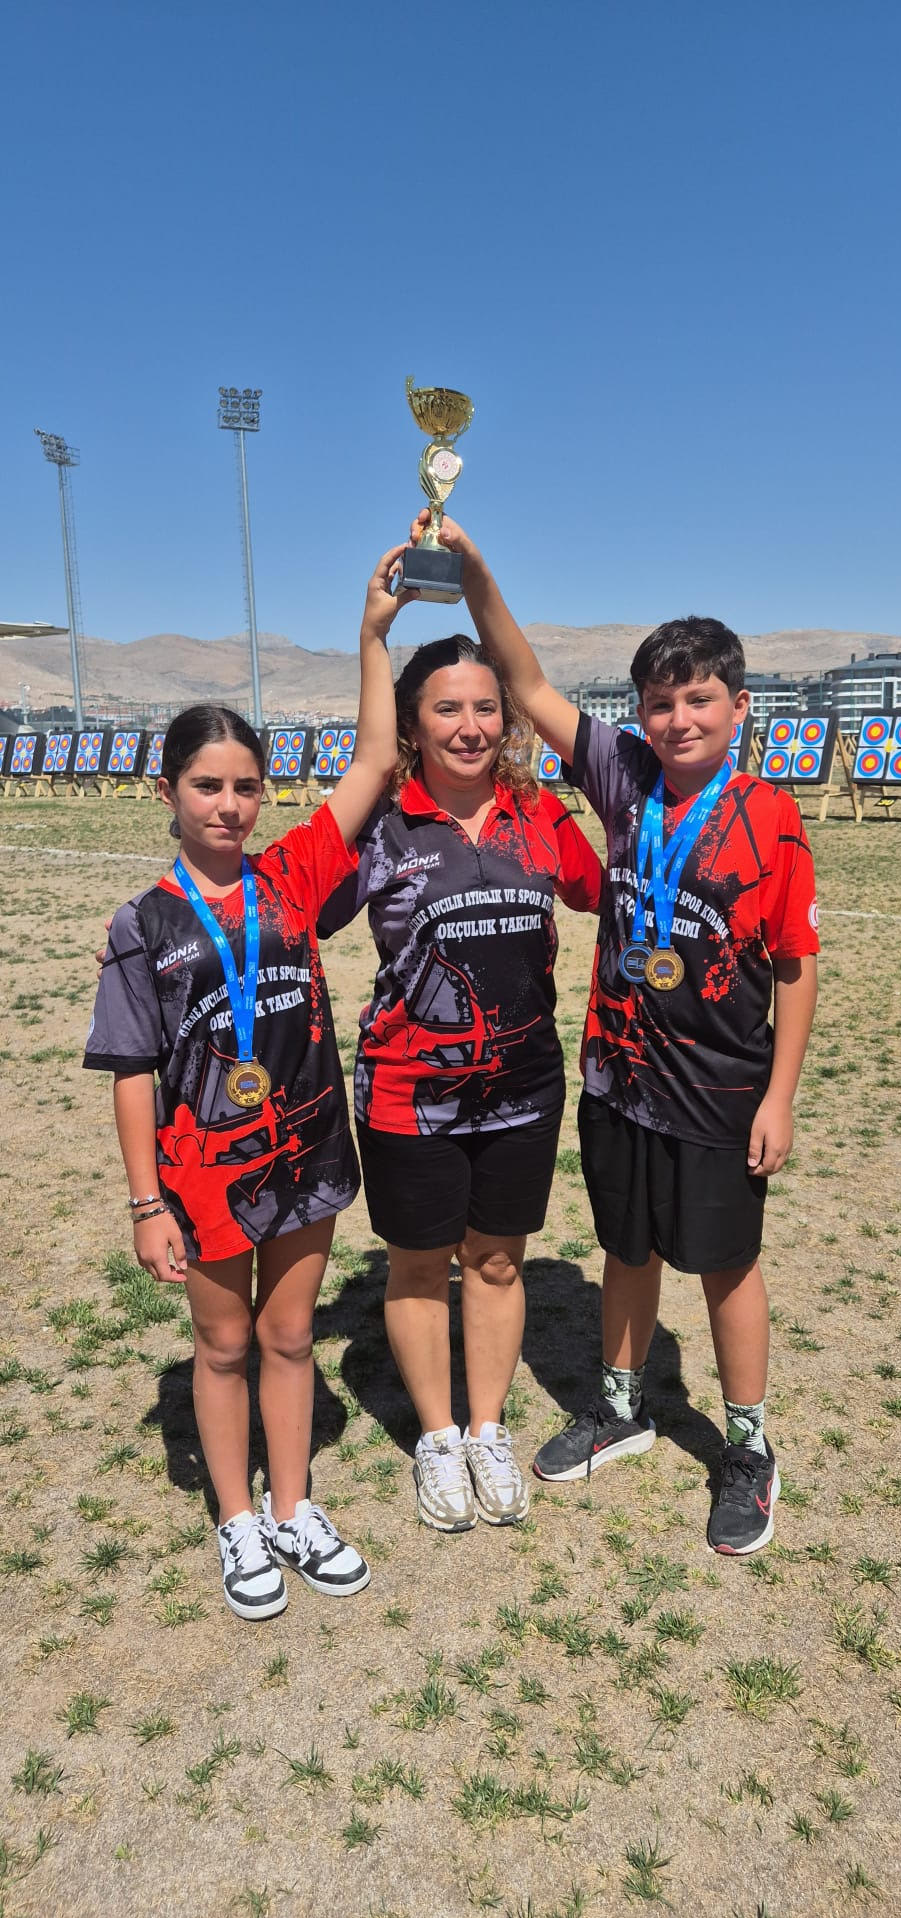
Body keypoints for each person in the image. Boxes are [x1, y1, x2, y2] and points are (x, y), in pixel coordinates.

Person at [421, 511, 819, 1556]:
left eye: (699, 699)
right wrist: (473, 572)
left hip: (721, 1088)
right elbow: (525, 678)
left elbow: (795, 964)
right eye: (660, 702)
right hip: (619, 1077)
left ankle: (748, 1447)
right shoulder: (622, 776)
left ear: (739, 706)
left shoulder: (772, 817)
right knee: (625, 1249)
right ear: (639, 712)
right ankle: (621, 1405)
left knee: (726, 1266)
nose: (679, 719)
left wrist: (778, 1097)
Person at [83, 546, 407, 1619]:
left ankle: (294, 1506)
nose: (229, 806)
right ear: (167, 791)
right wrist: (146, 1204)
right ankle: (236, 1518)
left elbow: (374, 758)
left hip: (305, 1148)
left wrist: (372, 634)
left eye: (246, 787)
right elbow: (131, 1071)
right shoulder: (143, 923)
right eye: (207, 786)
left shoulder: (295, 875)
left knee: (289, 1335)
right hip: (206, 1169)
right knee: (222, 1344)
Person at [317, 627, 602, 1535]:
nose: (470, 726)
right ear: (412, 724)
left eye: (486, 707)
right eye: (448, 709)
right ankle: (438, 1438)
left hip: (524, 1088)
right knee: (416, 1266)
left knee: (497, 1260)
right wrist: (156, 945)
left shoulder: (538, 813)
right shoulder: (382, 822)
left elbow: (607, 890)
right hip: (411, 1090)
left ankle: (487, 1429)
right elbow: (292, 908)